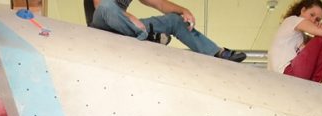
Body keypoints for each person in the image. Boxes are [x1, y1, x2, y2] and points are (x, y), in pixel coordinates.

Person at [90, 0, 246, 62]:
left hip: (129, 29)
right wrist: (131, 19)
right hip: (102, 25)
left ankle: (216, 52)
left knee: (174, 20)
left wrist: (183, 10)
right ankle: (147, 36)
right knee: (107, 7)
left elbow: (159, 4)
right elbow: (100, 5)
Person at [267, 0, 322, 84]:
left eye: (317, 20)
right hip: (286, 72)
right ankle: (317, 81)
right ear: (303, 10)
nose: (313, 20)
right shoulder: (293, 20)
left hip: (282, 76)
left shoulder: (299, 36)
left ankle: (316, 82)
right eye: (312, 15)